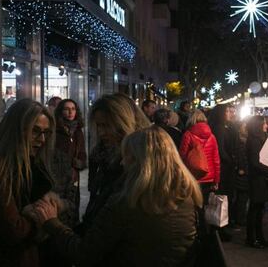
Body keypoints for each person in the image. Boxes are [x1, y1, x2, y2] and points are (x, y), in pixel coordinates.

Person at [34, 126, 203, 266]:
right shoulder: (187, 197)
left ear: (141, 162)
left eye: (127, 157)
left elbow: (84, 253)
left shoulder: (128, 202)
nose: (122, 163)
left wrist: (52, 223)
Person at [0, 99, 56, 267]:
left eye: (46, 133)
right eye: (35, 131)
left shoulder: (29, 165)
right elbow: (15, 230)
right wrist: (44, 219)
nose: (42, 139)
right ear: (16, 130)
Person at [85, 94, 150, 233]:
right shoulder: (105, 156)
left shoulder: (139, 163)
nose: (102, 133)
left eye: (107, 126)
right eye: (99, 126)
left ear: (124, 123)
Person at [246, 116, 268, 249]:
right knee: (254, 209)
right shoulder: (253, 140)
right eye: (264, 123)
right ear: (258, 125)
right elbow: (255, 162)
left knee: (260, 209)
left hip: (264, 179)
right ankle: (251, 238)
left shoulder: (263, 137)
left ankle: (260, 237)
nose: (266, 125)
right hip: (257, 179)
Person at [52, 99, 87, 227]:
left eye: (73, 109)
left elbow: (82, 153)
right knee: (60, 208)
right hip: (58, 178)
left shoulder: (78, 131)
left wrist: (79, 163)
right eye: (67, 109)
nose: (70, 112)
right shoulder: (55, 131)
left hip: (73, 177)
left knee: (73, 206)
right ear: (61, 111)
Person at [209, 104, 239, 233]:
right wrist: (231, 161)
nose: (229, 113)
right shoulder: (219, 128)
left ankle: (223, 224)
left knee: (225, 196)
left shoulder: (226, 126)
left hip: (226, 166)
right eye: (226, 111)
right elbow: (220, 150)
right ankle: (220, 226)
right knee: (223, 196)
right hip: (224, 167)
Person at [179, 109, 220, 202]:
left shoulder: (188, 135)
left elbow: (182, 157)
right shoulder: (212, 136)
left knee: (194, 204)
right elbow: (216, 160)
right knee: (205, 204)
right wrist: (216, 179)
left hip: (193, 175)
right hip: (209, 176)